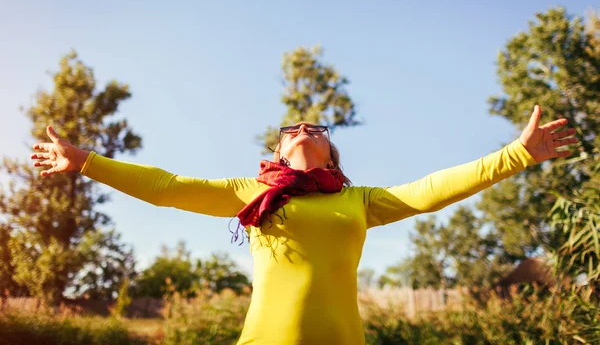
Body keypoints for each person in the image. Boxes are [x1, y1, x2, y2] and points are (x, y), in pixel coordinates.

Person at [31, 105, 577, 345]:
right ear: (278, 150)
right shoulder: (253, 195)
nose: (300, 127)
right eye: (290, 127)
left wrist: (516, 155)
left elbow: (432, 191)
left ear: (331, 154)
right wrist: (86, 162)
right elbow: (167, 187)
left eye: (312, 126)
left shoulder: (360, 199)